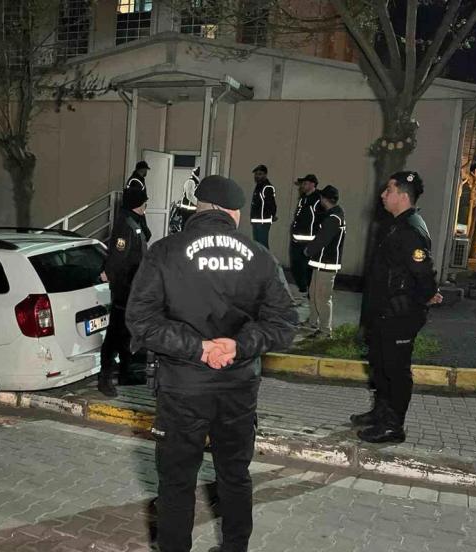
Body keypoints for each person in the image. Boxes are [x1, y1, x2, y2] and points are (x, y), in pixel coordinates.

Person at [127, 175, 297, 552]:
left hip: (182, 388)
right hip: (238, 387)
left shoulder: (165, 252)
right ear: (234, 213)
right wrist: (238, 346)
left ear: (199, 208)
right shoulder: (260, 256)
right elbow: (285, 324)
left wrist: (198, 348)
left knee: (176, 482)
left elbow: (140, 320)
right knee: (234, 475)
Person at [351, 171, 442, 444]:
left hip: (400, 313)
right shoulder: (395, 225)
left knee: (395, 369)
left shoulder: (410, 229)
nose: (382, 195)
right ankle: (381, 413)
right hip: (384, 311)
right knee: (380, 365)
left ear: (403, 196)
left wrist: (428, 295)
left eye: (388, 190)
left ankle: (393, 425)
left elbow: (423, 271)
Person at [99, 185, 151, 397]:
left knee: (126, 331)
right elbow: (118, 258)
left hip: (132, 287)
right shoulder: (125, 225)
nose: (147, 205)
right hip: (124, 288)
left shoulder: (134, 221)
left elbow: (146, 236)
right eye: (144, 202)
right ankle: (105, 378)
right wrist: (112, 277)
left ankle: (126, 373)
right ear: (137, 203)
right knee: (116, 332)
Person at [302, 185, 346, 339]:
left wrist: (308, 250)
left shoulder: (334, 218)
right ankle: (313, 322)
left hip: (327, 264)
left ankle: (325, 330)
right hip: (320, 263)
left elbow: (322, 240)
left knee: (322, 297)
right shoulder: (333, 215)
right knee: (314, 294)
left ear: (324, 199)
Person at [290, 173, 322, 295]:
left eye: (305, 183)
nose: (302, 186)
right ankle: (303, 288)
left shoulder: (317, 200)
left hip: (308, 241)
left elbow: (320, 220)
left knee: (307, 269)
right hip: (296, 240)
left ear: (313, 184)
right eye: (302, 184)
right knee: (296, 266)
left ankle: (309, 291)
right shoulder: (303, 199)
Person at [249, 164, 277, 249]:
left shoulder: (267, 187)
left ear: (265, 175)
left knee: (262, 245)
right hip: (257, 220)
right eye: (256, 174)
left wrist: (271, 216)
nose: (257, 176)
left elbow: (271, 204)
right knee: (257, 245)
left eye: (260, 174)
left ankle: (265, 258)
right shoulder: (259, 187)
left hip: (263, 221)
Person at [169, 167, 199, 234]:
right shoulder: (191, 182)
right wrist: (198, 204)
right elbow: (190, 196)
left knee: (189, 227)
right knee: (186, 227)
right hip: (187, 210)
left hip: (191, 210)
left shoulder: (195, 182)